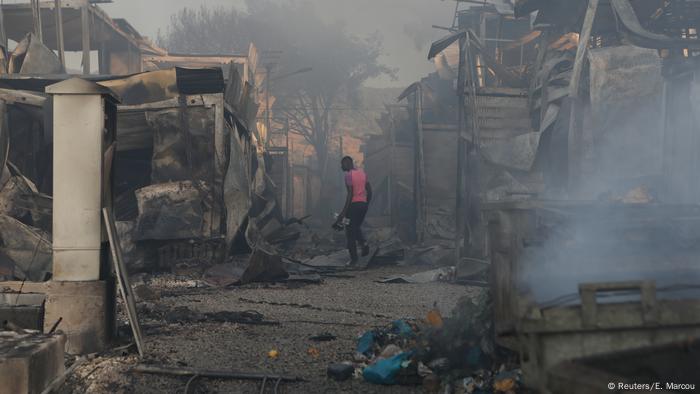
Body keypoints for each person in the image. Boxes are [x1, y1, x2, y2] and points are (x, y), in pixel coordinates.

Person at [333, 156, 372, 263]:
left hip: (354, 206)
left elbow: (350, 194)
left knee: (350, 232)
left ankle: (354, 260)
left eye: (342, 164)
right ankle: (364, 244)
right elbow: (370, 190)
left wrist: (343, 212)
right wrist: (365, 204)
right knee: (356, 227)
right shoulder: (363, 173)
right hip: (363, 206)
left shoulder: (348, 175)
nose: (341, 166)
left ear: (347, 163)